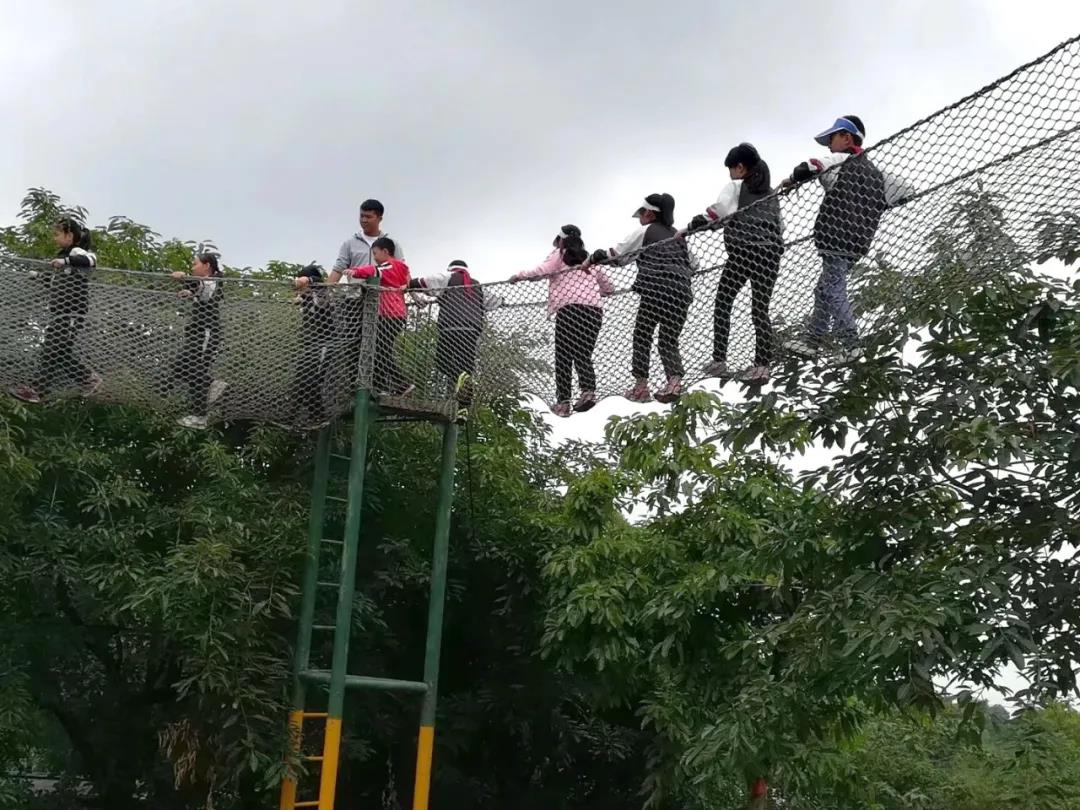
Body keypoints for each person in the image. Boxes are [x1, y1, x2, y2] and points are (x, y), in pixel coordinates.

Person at [779, 115, 887, 359]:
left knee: (832, 289)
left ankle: (851, 344)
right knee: (823, 289)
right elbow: (903, 192)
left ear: (847, 138)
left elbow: (812, 166)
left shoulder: (841, 159)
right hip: (859, 243)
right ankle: (812, 341)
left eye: (832, 138)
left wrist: (792, 179)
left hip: (836, 237)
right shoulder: (875, 172)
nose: (829, 145)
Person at [687, 143, 784, 383]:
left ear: (740, 167)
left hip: (743, 252)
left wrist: (694, 225)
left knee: (723, 302)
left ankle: (719, 360)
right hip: (770, 254)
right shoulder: (772, 193)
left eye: (731, 169)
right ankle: (763, 366)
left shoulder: (736, 186)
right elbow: (780, 225)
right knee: (760, 310)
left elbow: (720, 213)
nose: (730, 174)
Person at [590, 193, 693, 403]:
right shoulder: (678, 236)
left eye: (641, 214)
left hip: (655, 288)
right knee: (668, 339)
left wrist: (595, 257)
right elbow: (694, 264)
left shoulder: (646, 231)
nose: (640, 219)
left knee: (642, 336)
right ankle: (674, 382)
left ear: (649, 213)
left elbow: (617, 256)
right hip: (681, 290)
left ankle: (641, 386)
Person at [510, 225, 613, 416]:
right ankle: (588, 392)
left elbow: (543, 270)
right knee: (583, 352)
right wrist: (592, 292)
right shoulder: (590, 260)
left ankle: (563, 403)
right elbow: (609, 288)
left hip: (569, 310)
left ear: (561, 240)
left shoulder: (559, 254)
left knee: (563, 356)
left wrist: (520, 276)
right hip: (594, 311)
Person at [11, 218, 101, 403]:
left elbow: (91, 260)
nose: (55, 238)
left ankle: (37, 390)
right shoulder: (62, 259)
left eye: (57, 234)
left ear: (69, 235)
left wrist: (65, 261)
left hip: (71, 312)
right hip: (59, 313)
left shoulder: (75, 252)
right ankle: (87, 379)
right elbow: (55, 283)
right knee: (59, 351)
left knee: (52, 349)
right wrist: (39, 276)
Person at [328, 199, 404, 384]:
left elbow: (401, 270)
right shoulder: (350, 243)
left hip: (382, 303)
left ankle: (378, 385)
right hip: (355, 299)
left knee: (381, 345)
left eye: (368, 217)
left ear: (379, 218)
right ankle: (356, 383)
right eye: (361, 216)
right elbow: (338, 269)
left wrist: (405, 288)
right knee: (353, 341)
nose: (363, 220)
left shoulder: (391, 243)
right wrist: (326, 292)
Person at [409, 259, 485, 407]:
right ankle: (462, 407)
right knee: (466, 367)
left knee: (442, 362)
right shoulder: (477, 285)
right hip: (472, 330)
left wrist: (410, 284)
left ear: (451, 269)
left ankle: (459, 377)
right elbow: (493, 301)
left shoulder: (448, 277)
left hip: (450, 327)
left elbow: (426, 282)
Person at [166, 252, 227, 430]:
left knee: (196, 371)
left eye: (195, 264)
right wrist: (188, 291)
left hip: (206, 333)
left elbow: (203, 286)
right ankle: (211, 384)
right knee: (180, 367)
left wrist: (183, 278)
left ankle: (199, 416)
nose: (193, 267)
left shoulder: (215, 280)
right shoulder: (205, 282)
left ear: (206, 266)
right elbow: (199, 290)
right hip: (196, 334)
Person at [346, 236, 413, 396]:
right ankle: (384, 386)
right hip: (397, 313)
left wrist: (355, 272)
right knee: (382, 349)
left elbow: (374, 271)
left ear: (385, 251)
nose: (374, 257)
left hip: (389, 314)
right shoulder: (401, 268)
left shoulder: (390, 265)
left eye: (375, 253)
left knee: (379, 350)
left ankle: (400, 383)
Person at [291, 263, 336, 425]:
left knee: (313, 380)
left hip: (323, 344)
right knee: (300, 379)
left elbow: (320, 285)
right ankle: (303, 414)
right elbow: (300, 296)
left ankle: (316, 415)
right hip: (308, 347)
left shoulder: (321, 296)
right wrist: (300, 294)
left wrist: (309, 280)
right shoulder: (306, 298)